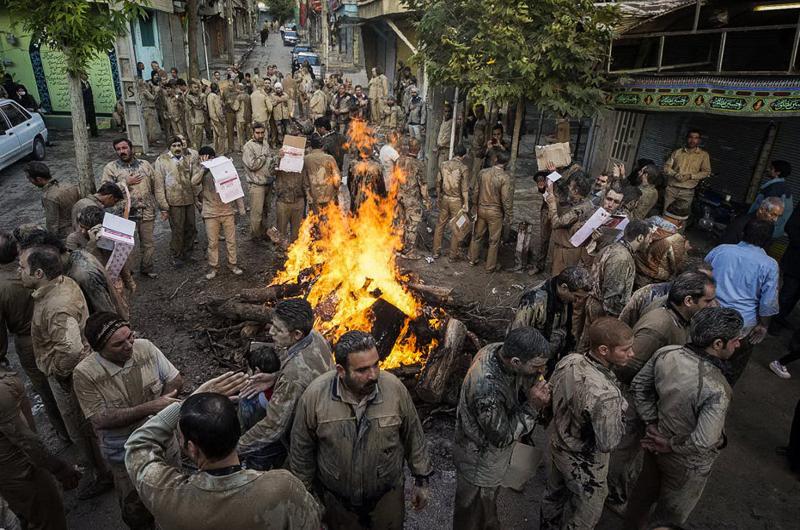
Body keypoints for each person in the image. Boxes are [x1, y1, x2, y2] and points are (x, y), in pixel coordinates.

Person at [124, 371, 322, 530]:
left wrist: (187, 403)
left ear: (192, 449)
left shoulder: (166, 495)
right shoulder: (282, 488)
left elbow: (138, 444)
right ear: (236, 433)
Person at [290, 330, 432, 530]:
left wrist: (422, 479)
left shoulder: (395, 389)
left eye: (376, 365)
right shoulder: (315, 397)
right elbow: (301, 450)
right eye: (362, 370)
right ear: (341, 370)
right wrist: (307, 497)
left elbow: (414, 435)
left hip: (386, 500)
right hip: (337, 503)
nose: (373, 375)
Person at [606, 273, 717, 509]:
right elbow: (628, 367)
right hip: (634, 400)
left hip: (647, 399)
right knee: (622, 450)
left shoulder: (678, 318)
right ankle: (610, 492)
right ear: (688, 301)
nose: (712, 305)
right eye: (708, 301)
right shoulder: (659, 325)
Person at [626, 307, 743, 528]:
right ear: (718, 344)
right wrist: (670, 444)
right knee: (669, 517)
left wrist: (652, 424)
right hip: (687, 463)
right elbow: (705, 440)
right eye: (735, 340)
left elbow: (639, 387)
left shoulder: (667, 353)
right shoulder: (717, 387)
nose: (738, 345)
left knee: (641, 497)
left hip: (654, 443)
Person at [73, 312, 183, 530]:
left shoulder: (145, 347)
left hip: (164, 444)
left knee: (175, 501)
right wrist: (152, 407)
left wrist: (165, 404)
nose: (129, 345)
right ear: (99, 349)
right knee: (136, 511)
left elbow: (175, 379)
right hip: (124, 456)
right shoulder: (85, 374)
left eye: (129, 337)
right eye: (118, 344)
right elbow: (99, 419)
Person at [20, 244, 113, 499]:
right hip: (75, 367)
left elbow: (71, 349)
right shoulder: (61, 285)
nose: (19, 272)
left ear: (39, 273)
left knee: (81, 428)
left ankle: (103, 474)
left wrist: (59, 373)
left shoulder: (56, 306)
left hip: (68, 376)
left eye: (22, 268)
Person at [452, 327, 552, 530]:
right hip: (479, 462)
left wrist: (531, 379)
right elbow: (502, 436)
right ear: (516, 362)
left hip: (489, 455)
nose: (541, 371)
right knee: (474, 515)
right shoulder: (486, 388)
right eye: (536, 366)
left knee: (485, 509)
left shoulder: (497, 350)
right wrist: (532, 407)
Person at [539, 317, 634, 530]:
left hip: (558, 442)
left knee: (553, 494)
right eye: (625, 350)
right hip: (585, 462)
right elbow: (608, 443)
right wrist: (619, 414)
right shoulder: (607, 395)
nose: (632, 354)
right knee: (586, 514)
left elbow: (549, 395)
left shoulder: (569, 360)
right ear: (603, 350)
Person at [238, 299, 333, 470]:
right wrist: (276, 377)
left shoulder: (293, 376)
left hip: (310, 438)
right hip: (322, 410)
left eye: (278, 329)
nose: (271, 332)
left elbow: (273, 427)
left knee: (249, 404)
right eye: (272, 325)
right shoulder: (316, 337)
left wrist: (235, 449)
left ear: (297, 334)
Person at [0, 232, 69, 440]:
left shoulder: (2, 285)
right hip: (56, 326)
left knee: (46, 389)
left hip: (28, 340)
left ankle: (64, 432)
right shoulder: (37, 263)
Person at [0, 356, 81, 530]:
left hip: (16, 471)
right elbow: (24, 439)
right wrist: (59, 468)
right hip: (22, 471)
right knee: (48, 518)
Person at [706, 219, 778, 384]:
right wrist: (763, 325)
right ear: (768, 241)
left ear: (743, 233)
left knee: (699, 355)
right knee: (729, 371)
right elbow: (767, 304)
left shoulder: (721, 250)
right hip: (742, 327)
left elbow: (701, 275)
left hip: (709, 315)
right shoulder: (770, 265)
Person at [580, 220, 652, 347]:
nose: (650, 241)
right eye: (649, 237)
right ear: (640, 237)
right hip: (602, 312)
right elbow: (612, 297)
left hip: (596, 305)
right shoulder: (621, 258)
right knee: (593, 346)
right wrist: (613, 324)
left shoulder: (613, 248)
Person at [511, 266, 591, 367]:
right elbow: (517, 335)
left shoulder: (565, 299)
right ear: (564, 287)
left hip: (553, 356)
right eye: (577, 296)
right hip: (534, 361)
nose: (579, 301)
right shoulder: (534, 301)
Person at [102, 138, 159, 278]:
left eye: (124, 148)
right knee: (126, 246)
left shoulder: (144, 165)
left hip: (146, 210)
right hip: (125, 214)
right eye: (118, 149)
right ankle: (128, 273)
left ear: (131, 148)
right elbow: (105, 191)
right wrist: (124, 183)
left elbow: (156, 184)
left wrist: (162, 206)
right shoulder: (111, 168)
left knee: (148, 243)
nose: (122, 151)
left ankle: (147, 267)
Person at [193, 146, 245, 279]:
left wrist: (241, 208)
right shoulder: (200, 170)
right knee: (213, 243)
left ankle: (232, 264)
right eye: (202, 157)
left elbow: (235, 186)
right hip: (210, 213)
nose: (205, 159)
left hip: (227, 211)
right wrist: (204, 169)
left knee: (231, 241)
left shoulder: (224, 167)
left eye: (208, 157)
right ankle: (213, 267)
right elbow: (193, 182)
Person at [618, 257, 713, 328]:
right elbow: (623, 324)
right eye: (702, 279)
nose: (708, 284)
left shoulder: (708, 305)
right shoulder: (647, 294)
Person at [154, 137, 202, 267]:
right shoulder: (162, 160)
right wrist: (163, 205)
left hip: (188, 199)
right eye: (174, 145)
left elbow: (195, 180)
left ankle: (188, 253)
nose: (177, 148)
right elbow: (158, 185)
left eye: (179, 145)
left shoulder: (188, 159)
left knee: (191, 227)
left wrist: (198, 197)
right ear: (170, 147)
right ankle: (176, 255)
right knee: (177, 230)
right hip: (173, 201)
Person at [468, 150, 513, 272]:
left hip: (481, 209)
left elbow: (476, 191)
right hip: (495, 213)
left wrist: (474, 206)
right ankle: (490, 267)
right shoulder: (505, 177)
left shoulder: (483, 173)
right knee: (494, 241)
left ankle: (472, 259)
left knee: (477, 235)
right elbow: (505, 199)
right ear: (506, 163)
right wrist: (509, 214)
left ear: (495, 159)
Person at [544, 168, 595, 275]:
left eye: (570, 187)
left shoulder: (578, 210)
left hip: (566, 252)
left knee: (559, 279)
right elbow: (564, 185)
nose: (568, 187)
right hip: (568, 248)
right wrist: (554, 174)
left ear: (575, 191)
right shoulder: (587, 202)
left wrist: (552, 203)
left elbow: (556, 223)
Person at [433, 144, 470, 260]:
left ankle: (435, 252)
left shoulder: (443, 164)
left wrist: (439, 197)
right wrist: (466, 204)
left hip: (445, 198)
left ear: (454, 153)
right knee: (457, 226)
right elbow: (464, 189)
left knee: (440, 225)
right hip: (456, 201)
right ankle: (452, 255)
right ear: (463, 156)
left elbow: (438, 183)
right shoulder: (463, 168)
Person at [25, 162, 80, 240]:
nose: (30, 181)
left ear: (39, 179)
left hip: (65, 234)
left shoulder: (48, 197)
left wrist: (52, 241)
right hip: (78, 226)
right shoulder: (69, 185)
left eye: (29, 179)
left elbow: (52, 225)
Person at [662, 129, 711, 214]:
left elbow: (706, 172)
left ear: (699, 140)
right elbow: (666, 167)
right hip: (671, 190)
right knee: (666, 214)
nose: (692, 140)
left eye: (696, 138)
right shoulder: (677, 152)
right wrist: (675, 174)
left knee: (681, 218)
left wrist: (690, 176)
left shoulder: (703, 155)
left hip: (687, 192)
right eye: (690, 137)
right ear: (686, 138)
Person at [395, 137, 429, 259]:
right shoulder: (419, 164)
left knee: (400, 223)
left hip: (399, 196)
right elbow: (423, 185)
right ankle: (408, 252)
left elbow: (394, 179)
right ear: (418, 149)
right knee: (412, 225)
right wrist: (426, 200)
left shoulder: (399, 160)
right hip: (412, 199)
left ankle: (398, 247)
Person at [770, 206, 800, 335]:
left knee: (795, 296)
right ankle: (773, 322)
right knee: (787, 294)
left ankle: (781, 318)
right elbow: (790, 226)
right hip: (796, 262)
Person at [242, 123, 274, 241]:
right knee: (257, 214)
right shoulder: (248, 147)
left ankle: (263, 233)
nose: (260, 135)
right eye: (258, 133)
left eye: (262, 132)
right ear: (253, 133)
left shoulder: (265, 143)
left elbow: (270, 160)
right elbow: (252, 165)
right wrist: (264, 157)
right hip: (256, 185)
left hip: (268, 182)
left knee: (266, 211)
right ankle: (255, 237)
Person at [749, 160, 794, 239]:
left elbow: (767, 213)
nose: (768, 170)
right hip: (772, 230)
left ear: (778, 172)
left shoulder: (776, 188)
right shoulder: (782, 187)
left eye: (771, 168)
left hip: (765, 231)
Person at [302, 133, 341, 217]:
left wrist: (308, 194)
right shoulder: (329, 158)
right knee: (330, 223)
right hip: (329, 196)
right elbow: (337, 179)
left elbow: (304, 180)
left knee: (316, 222)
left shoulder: (306, 159)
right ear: (322, 146)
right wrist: (336, 189)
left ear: (311, 146)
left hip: (314, 197)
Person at [468, 104, 489, 186]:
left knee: (476, 170)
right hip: (474, 148)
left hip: (479, 149)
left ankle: (473, 187)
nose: (477, 114)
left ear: (482, 111)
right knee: (472, 169)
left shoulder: (485, 123)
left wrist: (483, 149)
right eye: (476, 112)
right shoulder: (477, 121)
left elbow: (486, 137)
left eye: (479, 112)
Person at [436, 105, 454, 171]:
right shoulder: (444, 122)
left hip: (446, 150)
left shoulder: (452, 122)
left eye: (449, 111)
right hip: (441, 150)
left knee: (444, 170)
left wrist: (439, 145)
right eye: (445, 111)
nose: (447, 113)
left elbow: (447, 138)